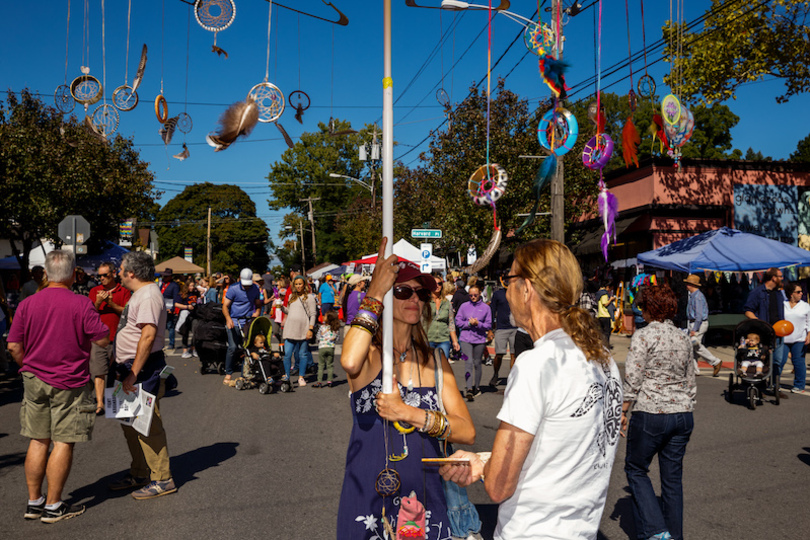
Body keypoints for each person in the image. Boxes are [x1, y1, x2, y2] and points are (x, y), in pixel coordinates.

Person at [440, 239, 622, 540]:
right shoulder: (603, 362)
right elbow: (561, 450)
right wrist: (486, 458)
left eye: (509, 279)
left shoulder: (536, 364)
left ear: (527, 289)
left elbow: (499, 486)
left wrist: (485, 467)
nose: (506, 290)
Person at [338, 240, 475, 540]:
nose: (415, 298)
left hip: (425, 499)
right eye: (402, 290)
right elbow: (348, 361)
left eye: (421, 292)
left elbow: (466, 431)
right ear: (387, 296)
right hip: (367, 500)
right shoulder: (369, 356)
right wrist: (373, 291)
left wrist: (410, 414)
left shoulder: (436, 361)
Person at [7, 250, 109, 523]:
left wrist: (27, 363)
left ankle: (34, 502)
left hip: (34, 378)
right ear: (73, 274)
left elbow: (14, 346)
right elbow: (101, 339)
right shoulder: (80, 304)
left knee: (38, 439)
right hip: (69, 381)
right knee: (63, 441)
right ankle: (53, 506)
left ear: (47, 275)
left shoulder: (27, 304)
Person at [621, 283, 696, 540]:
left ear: (650, 309)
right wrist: (687, 403)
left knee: (636, 468)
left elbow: (633, 376)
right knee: (672, 481)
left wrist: (623, 409)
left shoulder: (644, 335)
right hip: (682, 412)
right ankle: (675, 535)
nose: (641, 311)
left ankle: (656, 530)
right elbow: (690, 379)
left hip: (650, 411)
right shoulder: (683, 337)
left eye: (643, 306)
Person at [109, 251, 177, 500]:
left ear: (131, 273)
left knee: (147, 424)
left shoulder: (148, 295)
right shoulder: (141, 294)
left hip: (141, 369)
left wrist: (133, 373)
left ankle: (162, 478)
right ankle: (139, 473)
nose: (118, 273)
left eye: (121, 269)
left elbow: (148, 336)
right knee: (130, 424)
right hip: (130, 368)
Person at [88, 262, 132, 414]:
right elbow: (89, 313)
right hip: (99, 339)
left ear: (113, 274)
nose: (101, 278)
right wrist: (99, 301)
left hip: (119, 338)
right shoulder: (95, 290)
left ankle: (113, 398)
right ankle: (100, 403)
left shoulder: (124, 291)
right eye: (99, 276)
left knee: (117, 371)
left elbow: (127, 312)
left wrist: (111, 303)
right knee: (99, 371)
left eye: (105, 275)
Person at [743, 267, 786, 395]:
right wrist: (758, 322)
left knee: (778, 361)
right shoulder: (758, 292)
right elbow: (748, 310)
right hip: (763, 332)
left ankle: (774, 387)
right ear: (773, 278)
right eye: (780, 276)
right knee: (763, 358)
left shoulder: (779, 293)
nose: (782, 278)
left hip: (778, 331)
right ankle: (760, 385)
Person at [221, 268, 261, 385]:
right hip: (234, 320)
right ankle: (228, 372)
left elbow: (257, 303)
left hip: (248, 321)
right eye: (245, 285)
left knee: (247, 348)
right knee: (232, 348)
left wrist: (257, 311)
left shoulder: (255, 288)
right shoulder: (233, 289)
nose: (247, 287)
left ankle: (245, 373)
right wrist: (228, 319)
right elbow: (225, 306)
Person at [455, 285, 492, 401]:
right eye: (470, 295)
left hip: (479, 339)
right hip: (465, 339)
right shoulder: (464, 306)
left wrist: (478, 324)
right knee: (468, 362)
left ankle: (477, 387)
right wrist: (469, 324)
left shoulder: (486, 308)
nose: (473, 297)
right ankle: (469, 388)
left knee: (477, 363)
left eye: (475, 295)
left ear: (480, 293)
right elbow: (458, 321)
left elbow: (489, 325)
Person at [684, 274, 723, 376]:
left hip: (698, 323)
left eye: (688, 284)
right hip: (695, 323)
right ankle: (694, 370)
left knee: (695, 345)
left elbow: (699, 315)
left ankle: (715, 361)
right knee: (692, 347)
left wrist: (695, 329)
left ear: (692, 285)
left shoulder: (698, 297)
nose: (686, 285)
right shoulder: (695, 296)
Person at [281, 275, 316, 387]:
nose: (298, 286)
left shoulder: (309, 297)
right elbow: (289, 311)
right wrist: (281, 307)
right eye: (296, 284)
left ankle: (301, 377)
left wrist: (310, 328)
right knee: (287, 355)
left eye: (300, 284)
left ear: (304, 284)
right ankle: (287, 376)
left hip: (303, 329)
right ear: (294, 285)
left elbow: (313, 314)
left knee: (303, 354)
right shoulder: (291, 296)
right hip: (290, 329)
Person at [780, 282, 809, 393]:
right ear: (791, 294)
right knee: (780, 361)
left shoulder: (805, 306)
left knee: (798, 361)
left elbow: (809, 322)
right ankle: (774, 383)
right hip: (784, 338)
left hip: (800, 338)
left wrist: (809, 335)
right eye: (798, 292)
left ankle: (799, 385)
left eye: (802, 291)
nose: (801, 293)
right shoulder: (783, 304)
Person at [427, 275, 460, 367]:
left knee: (442, 367)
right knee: (429, 367)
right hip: (428, 338)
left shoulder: (447, 303)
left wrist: (455, 341)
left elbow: (451, 323)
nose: (437, 285)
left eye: (439, 283)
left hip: (443, 339)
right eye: (434, 283)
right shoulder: (425, 302)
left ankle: (439, 382)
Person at [489, 276, 516, 387]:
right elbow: (492, 311)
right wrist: (490, 329)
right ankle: (496, 374)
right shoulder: (497, 294)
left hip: (515, 328)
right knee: (499, 354)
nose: (508, 281)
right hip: (501, 328)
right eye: (506, 279)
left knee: (514, 355)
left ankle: (513, 378)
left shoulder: (517, 293)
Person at [314, 311, 340, 387]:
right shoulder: (335, 328)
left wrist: (322, 339)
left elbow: (318, 337)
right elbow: (337, 339)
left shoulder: (322, 327)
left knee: (321, 365)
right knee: (330, 365)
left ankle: (319, 382)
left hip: (322, 347)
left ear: (328, 319)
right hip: (331, 348)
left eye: (324, 316)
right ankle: (330, 381)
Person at [159, 269, 181, 351]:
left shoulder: (174, 285)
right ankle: (161, 343)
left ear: (170, 277)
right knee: (162, 326)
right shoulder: (163, 284)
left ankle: (171, 343)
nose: (164, 277)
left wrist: (173, 308)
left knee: (170, 326)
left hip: (170, 306)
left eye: (166, 276)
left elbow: (176, 297)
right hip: (162, 306)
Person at [596, 282, 616, 348]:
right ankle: (605, 346)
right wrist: (611, 299)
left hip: (600, 315)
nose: (610, 291)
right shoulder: (604, 294)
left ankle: (602, 345)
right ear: (608, 287)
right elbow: (605, 304)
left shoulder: (599, 294)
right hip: (605, 315)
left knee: (602, 331)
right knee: (607, 332)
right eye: (610, 289)